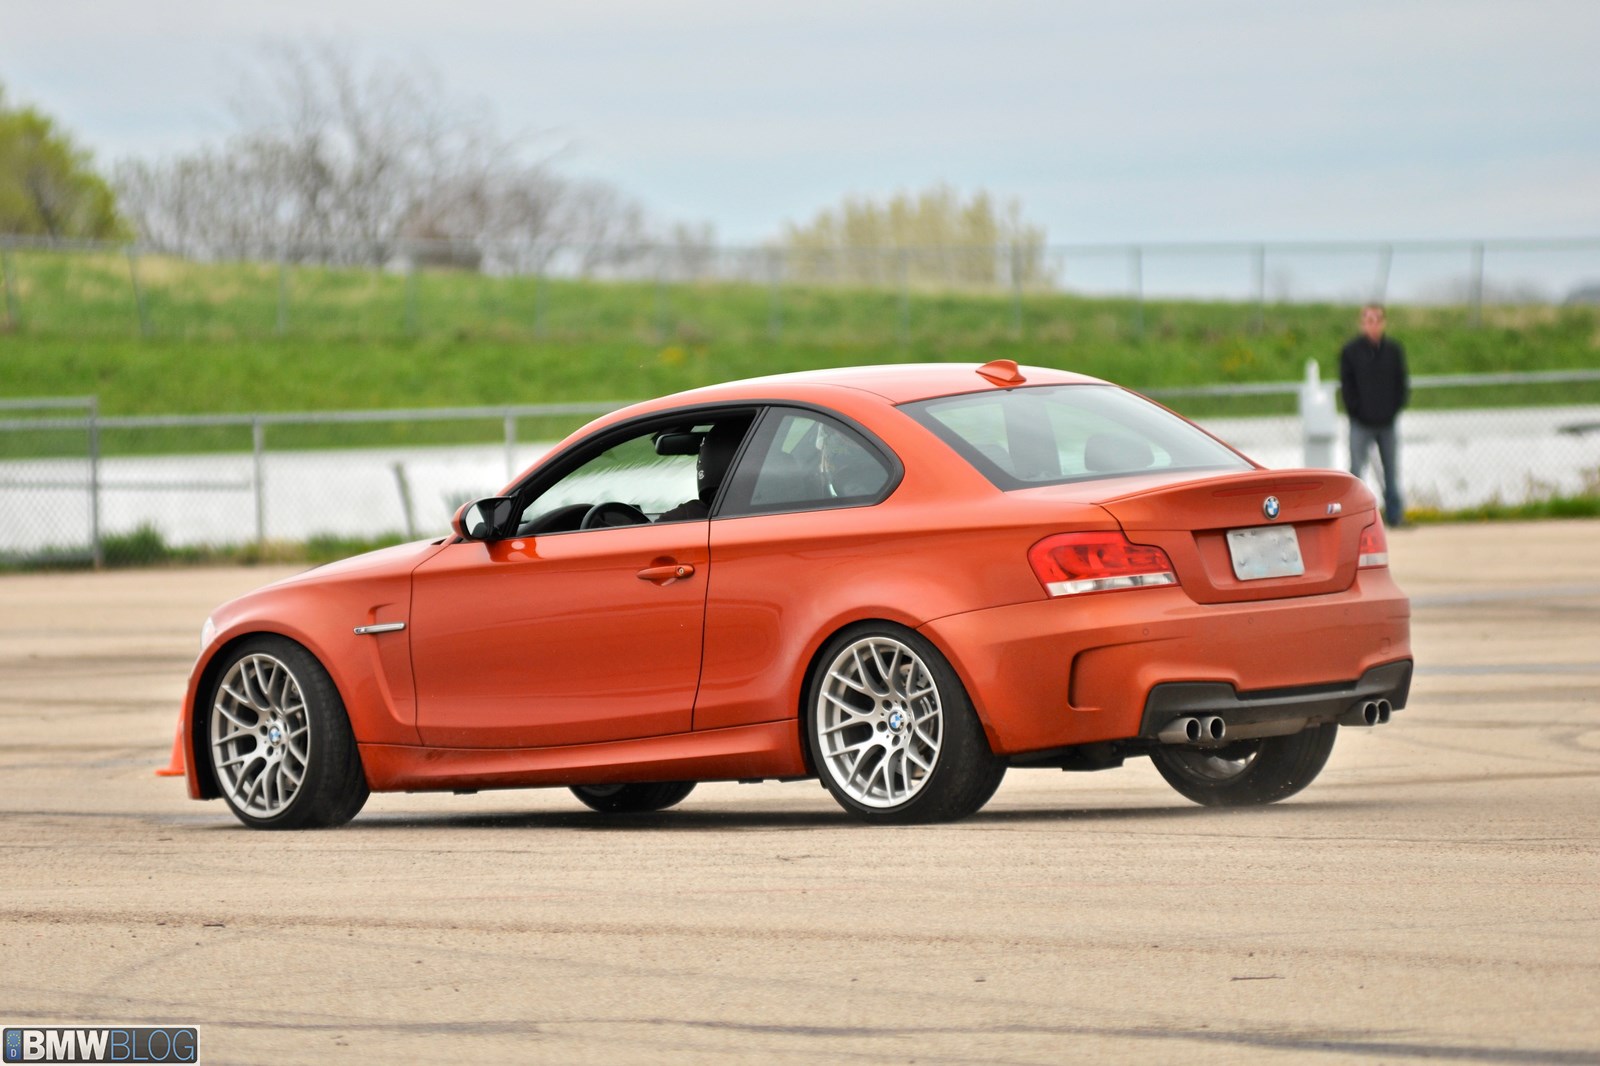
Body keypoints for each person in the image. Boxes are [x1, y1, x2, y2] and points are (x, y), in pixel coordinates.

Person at [1340, 303, 1409, 527]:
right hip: (1361, 423)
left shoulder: (1393, 351)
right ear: (1362, 323)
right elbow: (1346, 386)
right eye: (1369, 320)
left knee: (1391, 470)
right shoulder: (1350, 352)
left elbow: (1402, 384)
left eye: (1377, 319)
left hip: (1387, 423)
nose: (1373, 324)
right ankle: (1354, 519)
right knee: (1357, 470)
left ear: (1384, 322)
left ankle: (1394, 516)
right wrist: (1356, 411)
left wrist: (1393, 408)